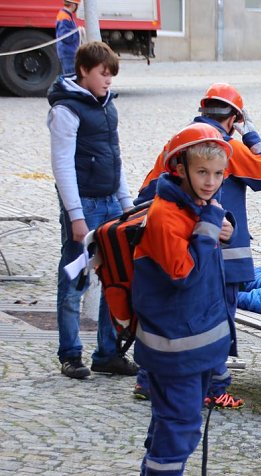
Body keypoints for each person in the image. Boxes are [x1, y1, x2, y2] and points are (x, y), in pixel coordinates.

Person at [133, 83, 261, 406]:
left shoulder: (179, 145)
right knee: (215, 321)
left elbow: (145, 192)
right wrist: (252, 135)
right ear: (234, 119)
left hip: (169, 248)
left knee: (171, 313)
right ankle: (214, 388)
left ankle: (148, 379)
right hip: (219, 257)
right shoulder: (223, 146)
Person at [134, 123, 235, 476]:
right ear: (180, 169)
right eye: (202, 173)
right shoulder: (167, 215)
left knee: (171, 416)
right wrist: (211, 227)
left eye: (218, 174)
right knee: (180, 419)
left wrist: (220, 226)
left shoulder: (193, 207)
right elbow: (184, 274)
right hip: (174, 344)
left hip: (187, 340)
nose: (210, 182)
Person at [48, 41, 138, 380]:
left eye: (112, 75)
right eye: (104, 73)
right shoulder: (66, 110)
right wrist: (75, 216)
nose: (109, 81)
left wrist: (126, 204)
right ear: (84, 71)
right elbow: (62, 166)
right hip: (84, 205)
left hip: (111, 204)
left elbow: (115, 158)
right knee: (76, 279)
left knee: (114, 278)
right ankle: (71, 354)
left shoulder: (107, 106)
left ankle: (108, 353)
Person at [55, 0, 81, 76]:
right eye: (77, 5)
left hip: (67, 52)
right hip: (68, 53)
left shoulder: (65, 15)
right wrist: (78, 32)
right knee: (70, 78)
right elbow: (66, 37)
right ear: (73, 5)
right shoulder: (65, 17)